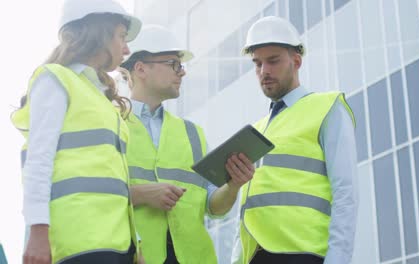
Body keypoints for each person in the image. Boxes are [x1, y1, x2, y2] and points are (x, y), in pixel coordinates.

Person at [11, 0, 142, 263]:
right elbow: (38, 161)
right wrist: (38, 232)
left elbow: (113, 177)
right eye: (121, 37)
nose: (127, 48)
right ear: (99, 33)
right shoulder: (55, 79)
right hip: (78, 239)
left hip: (116, 242)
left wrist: (135, 245)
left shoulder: (99, 97)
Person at [118, 25, 255, 264]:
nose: (182, 73)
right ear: (140, 69)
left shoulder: (192, 133)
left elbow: (215, 206)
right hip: (134, 255)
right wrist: (139, 195)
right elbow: (92, 193)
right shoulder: (112, 122)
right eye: (173, 64)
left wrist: (233, 186)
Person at [233, 16, 358, 264]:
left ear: (296, 61)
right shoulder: (256, 130)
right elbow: (246, 207)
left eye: (273, 61)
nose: (264, 71)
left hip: (304, 254)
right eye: (257, 64)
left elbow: (346, 192)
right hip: (255, 257)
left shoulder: (327, 107)